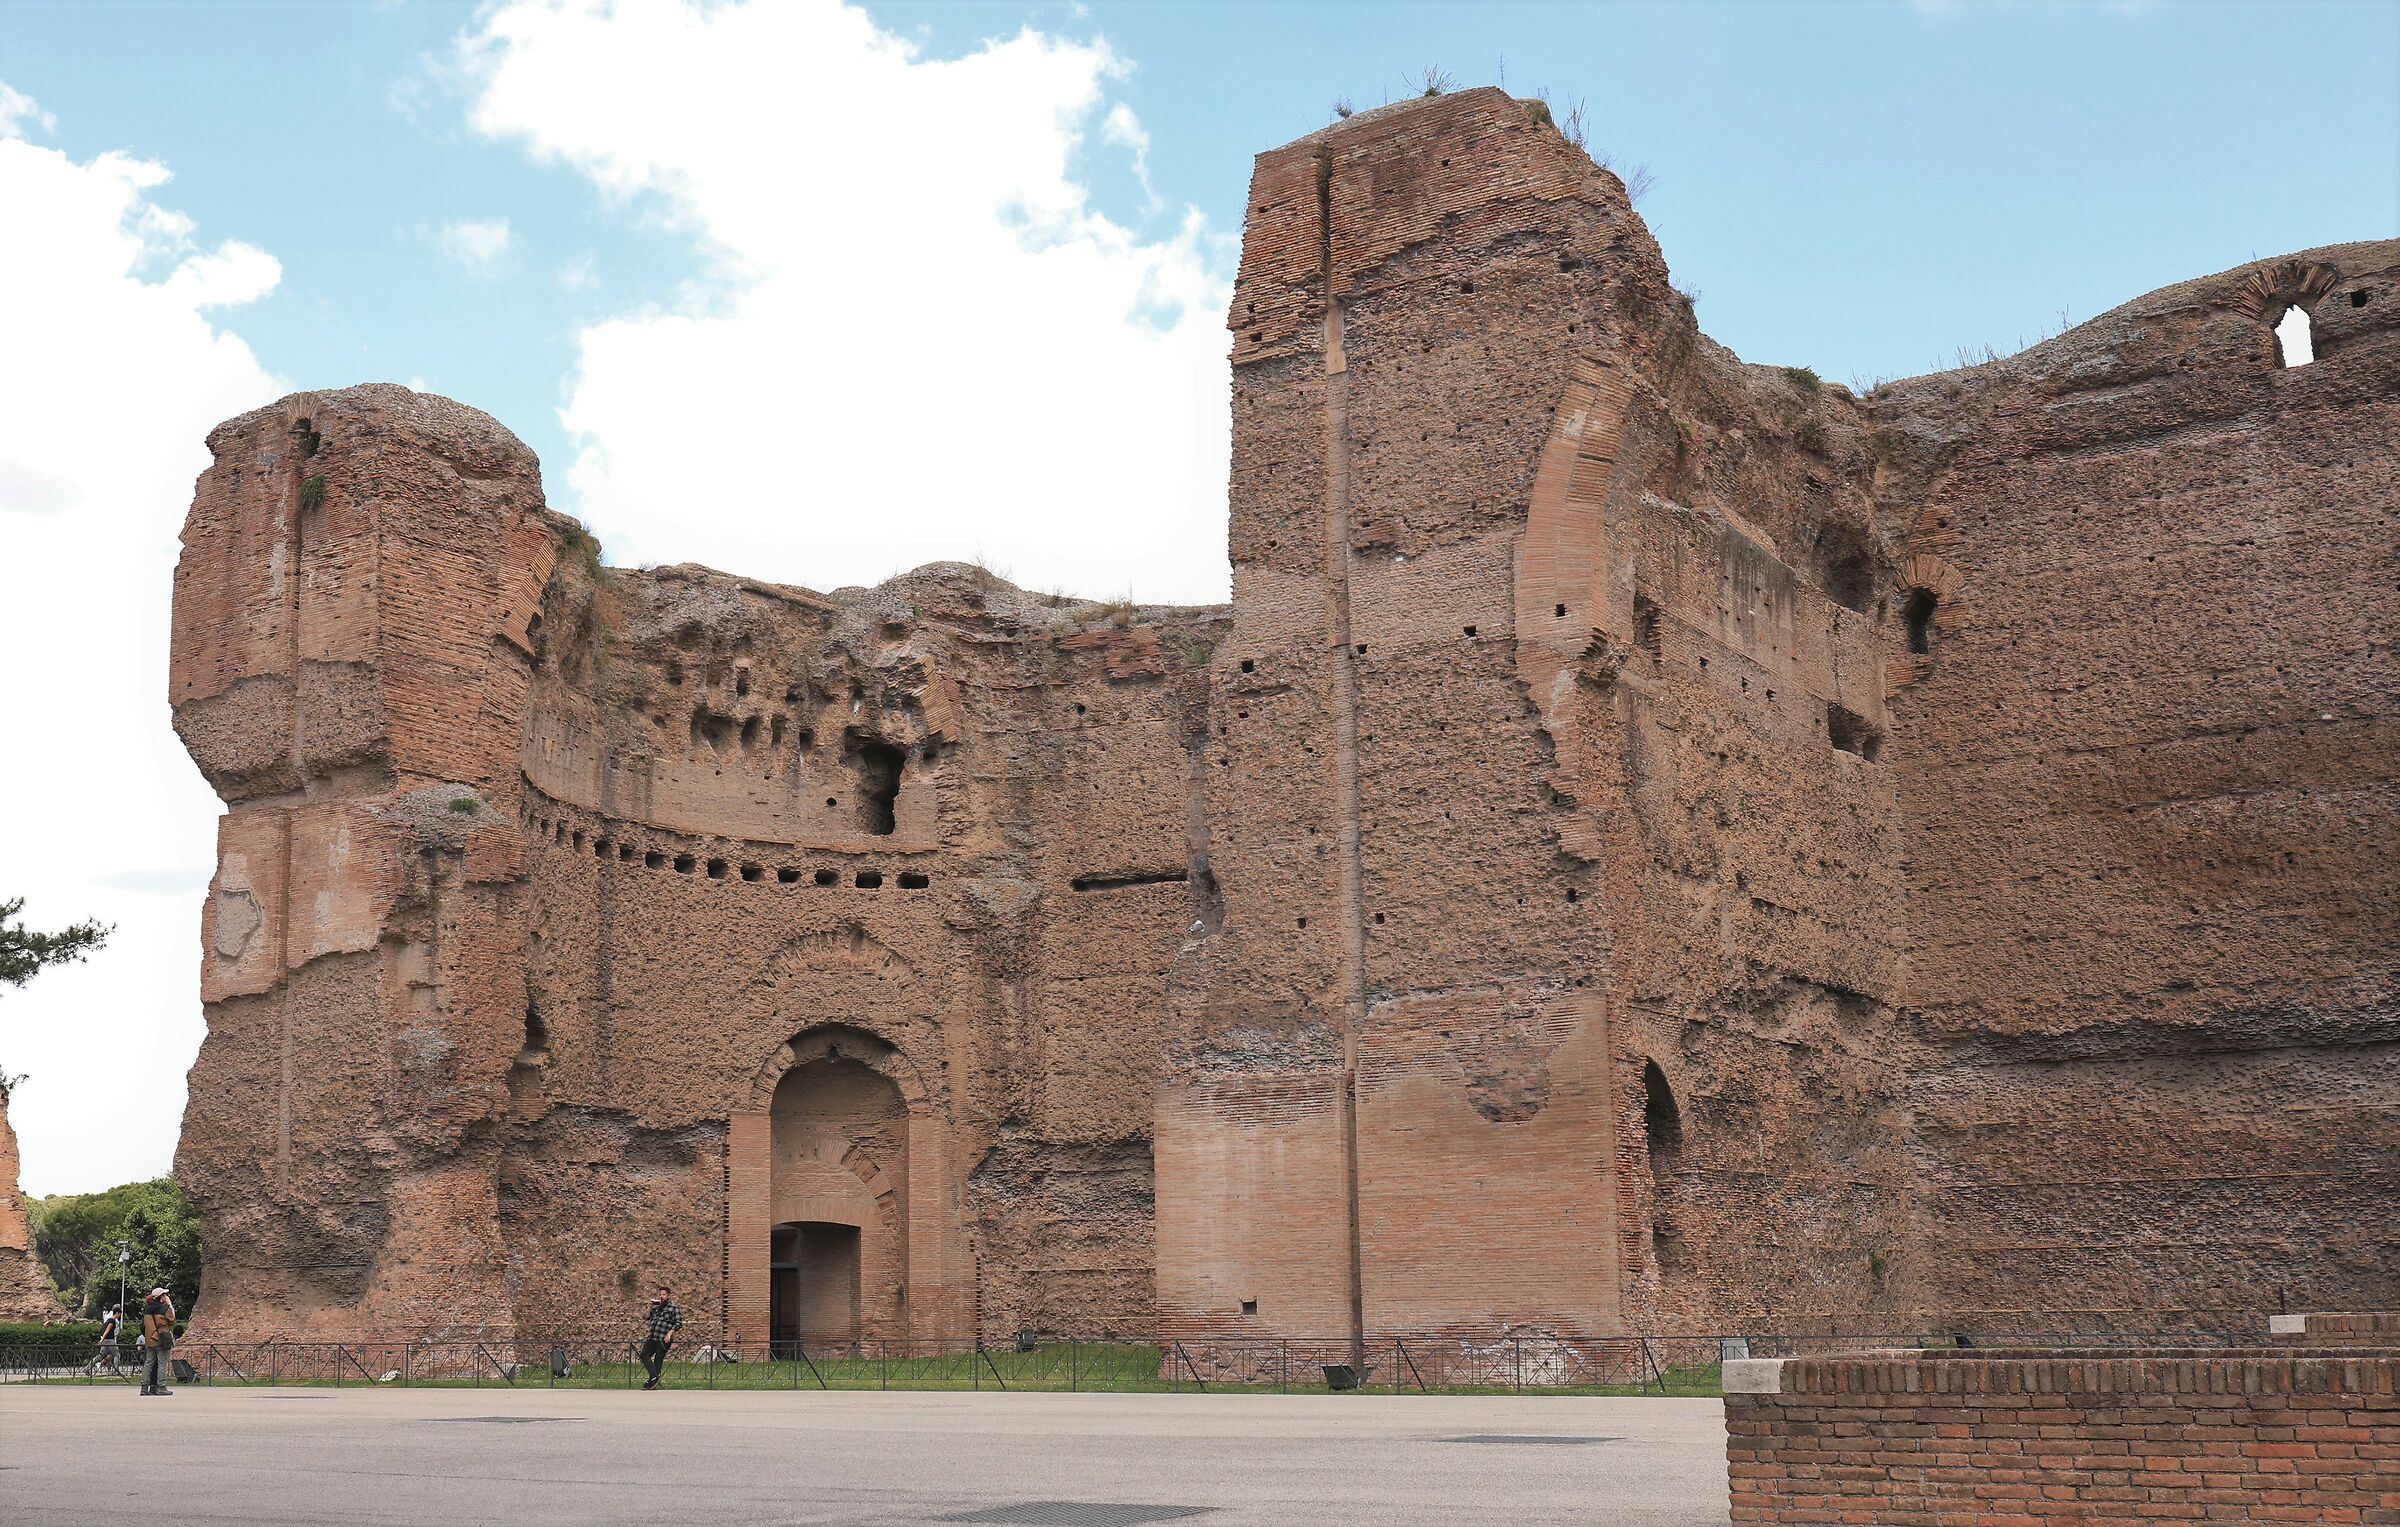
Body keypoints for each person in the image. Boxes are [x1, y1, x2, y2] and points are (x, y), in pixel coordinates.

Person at [638, 1286, 682, 1390]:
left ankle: (652, 1382)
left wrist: (670, 1334)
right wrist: (649, 1308)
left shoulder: (673, 1307)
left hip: (664, 1338)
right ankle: (654, 1377)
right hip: (653, 1336)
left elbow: (679, 1323)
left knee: (658, 1360)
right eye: (660, 1294)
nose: (661, 1296)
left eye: (664, 1295)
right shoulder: (656, 1307)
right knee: (644, 1355)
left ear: (669, 1296)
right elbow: (646, 1317)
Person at [139, 1286, 177, 1395]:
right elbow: (173, 1321)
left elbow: (142, 1326)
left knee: (148, 1363)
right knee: (162, 1363)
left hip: (150, 1340)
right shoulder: (165, 1309)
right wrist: (169, 1305)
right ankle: (161, 1386)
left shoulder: (147, 1310)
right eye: (165, 1295)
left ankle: (144, 1387)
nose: (166, 1296)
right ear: (161, 1297)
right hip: (162, 1339)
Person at [89, 1307, 123, 1376]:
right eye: (119, 1314)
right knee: (117, 1354)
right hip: (110, 1340)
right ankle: (116, 1371)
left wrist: (102, 1340)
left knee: (100, 1356)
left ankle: (87, 1368)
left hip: (105, 1341)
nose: (119, 1316)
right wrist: (101, 1340)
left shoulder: (108, 1320)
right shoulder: (112, 1321)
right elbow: (107, 1330)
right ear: (117, 1313)